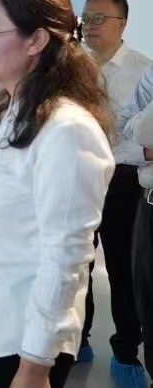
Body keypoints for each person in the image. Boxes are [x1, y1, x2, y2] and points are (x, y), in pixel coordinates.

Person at [0, 0, 115, 388]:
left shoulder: (67, 129)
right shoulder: (11, 113)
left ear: (36, 40)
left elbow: (66, 256)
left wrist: (35, 363)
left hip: (19, 344)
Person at [77, 0, 150, 387]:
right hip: (76, 175)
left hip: (123, 180)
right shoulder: (70, 66)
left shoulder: (143, 70)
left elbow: (145, 139)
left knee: (123, 268)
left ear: (122, 24)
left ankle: (126, 350)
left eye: (99, 18)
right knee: (74, 263)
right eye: (86, 18)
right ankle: (77, 340)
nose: (89, 25)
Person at [122, 75, 153, 387]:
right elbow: (125, 132)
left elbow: (140, 129)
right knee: (148, 304)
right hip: (149, 204)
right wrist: (146, 150)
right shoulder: (150, 77)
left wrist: (138, 127)